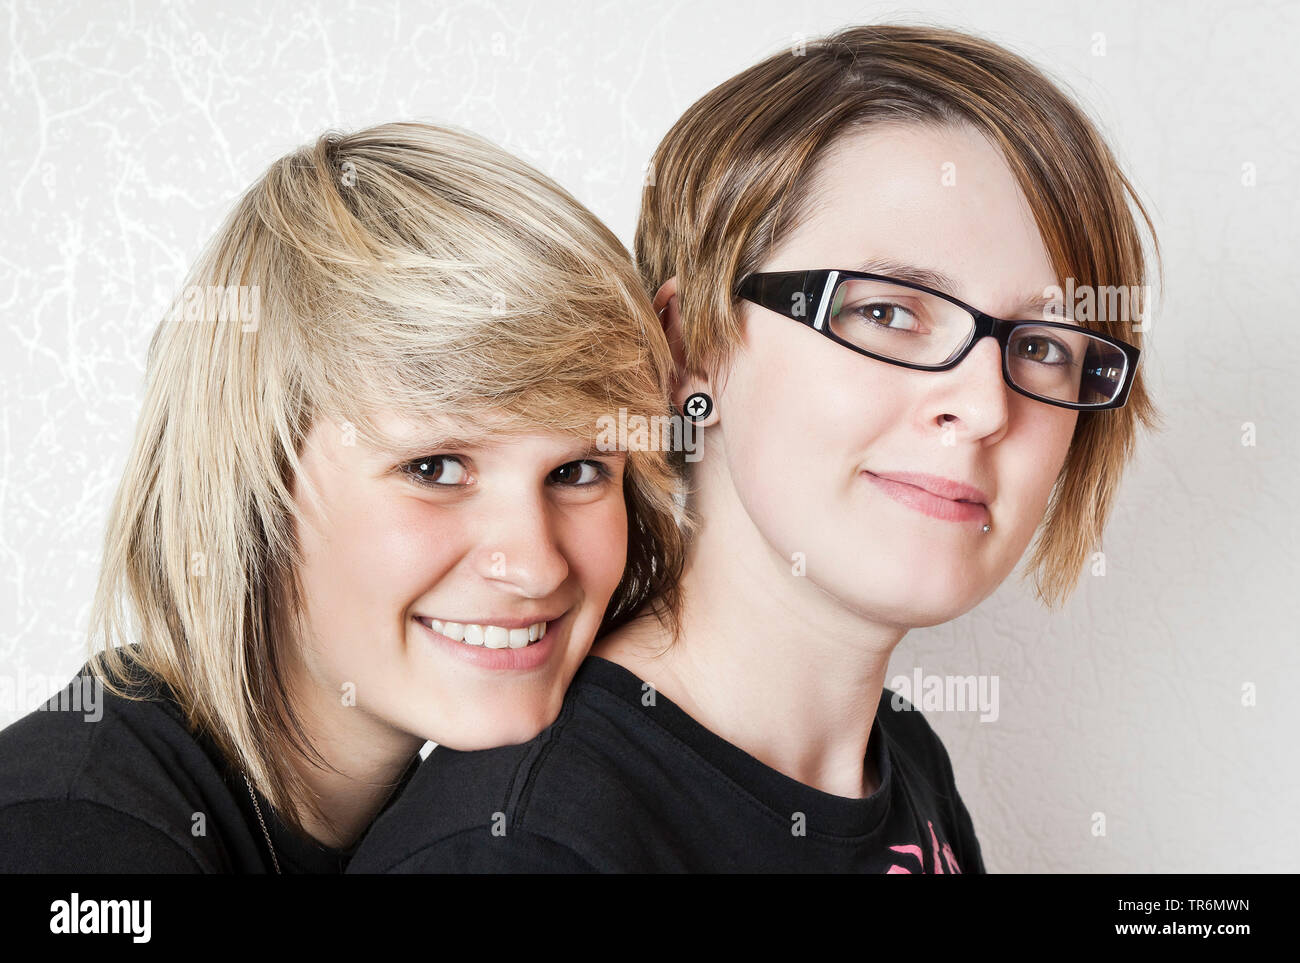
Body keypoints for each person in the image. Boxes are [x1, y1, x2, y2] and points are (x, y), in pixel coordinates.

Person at [348, 24, 1162, 873]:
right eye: (887, 311)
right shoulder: (526, 846)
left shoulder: (907, 763)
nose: (986, 405)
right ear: (690, 348)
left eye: (1042, 346)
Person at [0, 121, 684, 872]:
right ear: (253, 480)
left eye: (579, 470)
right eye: (435, 468)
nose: (535, 565)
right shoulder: (71, 838)